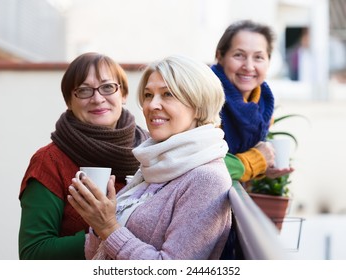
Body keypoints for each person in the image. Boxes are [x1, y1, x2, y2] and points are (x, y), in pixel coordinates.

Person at [68, 54, 232, 260]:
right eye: (148, 95)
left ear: (198, 105)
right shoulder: (156, 164)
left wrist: (108, 226)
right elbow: (96, 255)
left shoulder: (206, 179)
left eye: (167, 94)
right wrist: (98, 222)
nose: (151, 105)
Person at [18, 52, 149, 260]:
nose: (98, 99)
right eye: (84, 90)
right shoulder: (50, 161)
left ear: (123, 94)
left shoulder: (152, 151)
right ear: (69, 101)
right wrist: (101, 231)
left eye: (107, 87)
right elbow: (33, 254)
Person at [211, 19, 294, 183]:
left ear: (268, 61)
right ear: (220, 56)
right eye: (239, 55)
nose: (249, 66)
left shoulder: (262, 107)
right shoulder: (204, 98)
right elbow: (197, 166)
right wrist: (255, 160)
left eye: (258, 57)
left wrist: (264, 167)